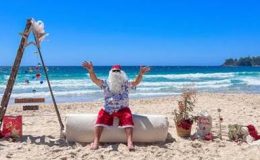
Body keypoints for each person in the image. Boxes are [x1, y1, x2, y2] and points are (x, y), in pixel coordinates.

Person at [82, 61, 150, 151]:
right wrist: (91, 71)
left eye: (118, 71)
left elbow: (136, 82)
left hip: (123, 109)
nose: (116, 73)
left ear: (121, 73)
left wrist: (140, 74)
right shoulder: (105, 83)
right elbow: (95, 80)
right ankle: (96, 142)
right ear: (110, 73)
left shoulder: (125, 84)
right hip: (107, 109)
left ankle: (130, 142)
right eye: (114, 71)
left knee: (128, 116)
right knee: (101, 116)